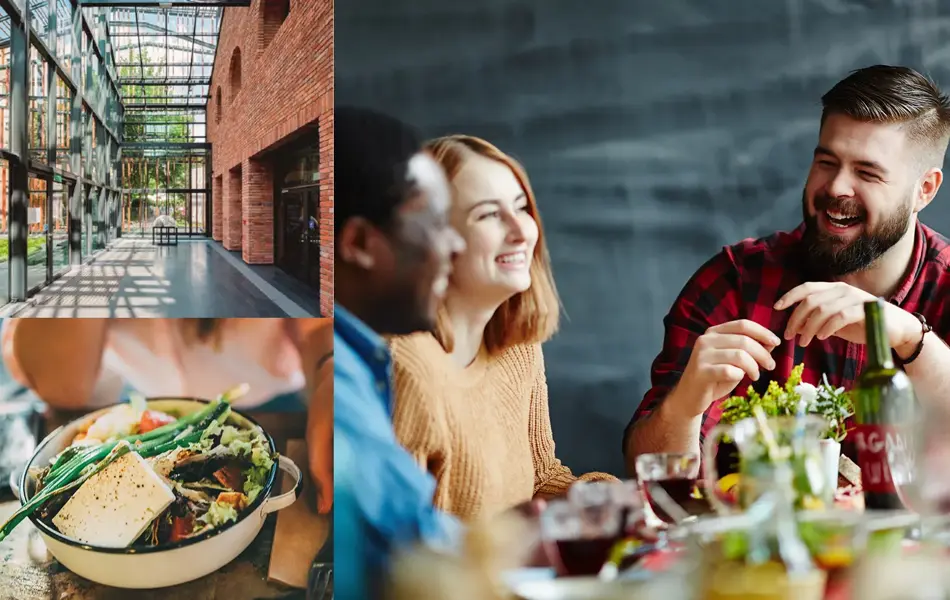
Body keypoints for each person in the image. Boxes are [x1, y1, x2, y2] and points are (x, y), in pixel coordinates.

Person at [624, 65, 950, 470]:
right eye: (827, 162)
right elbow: (652, 473)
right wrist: (683, 408)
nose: (835, 187)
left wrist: (909, 336)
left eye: (867, 173)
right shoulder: (736, 282)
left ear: (925, 189)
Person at [390, 135, 616, 522]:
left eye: (521, 207)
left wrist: (611, 498)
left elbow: (542, 478)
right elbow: (402, 556)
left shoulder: (516, 345)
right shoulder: (406, 368)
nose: (522, 231)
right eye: (488, 215)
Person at [333, 105, 466, 599]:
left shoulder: (357, 358)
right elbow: (409, 543)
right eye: (436, 222)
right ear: (360, 242)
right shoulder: (338, 377)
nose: (454, 244)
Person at [2, 318, 335, 513]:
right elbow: (60, 382)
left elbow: (319, 325)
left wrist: (331, 373)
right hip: (124, 402)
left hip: (277, 404)